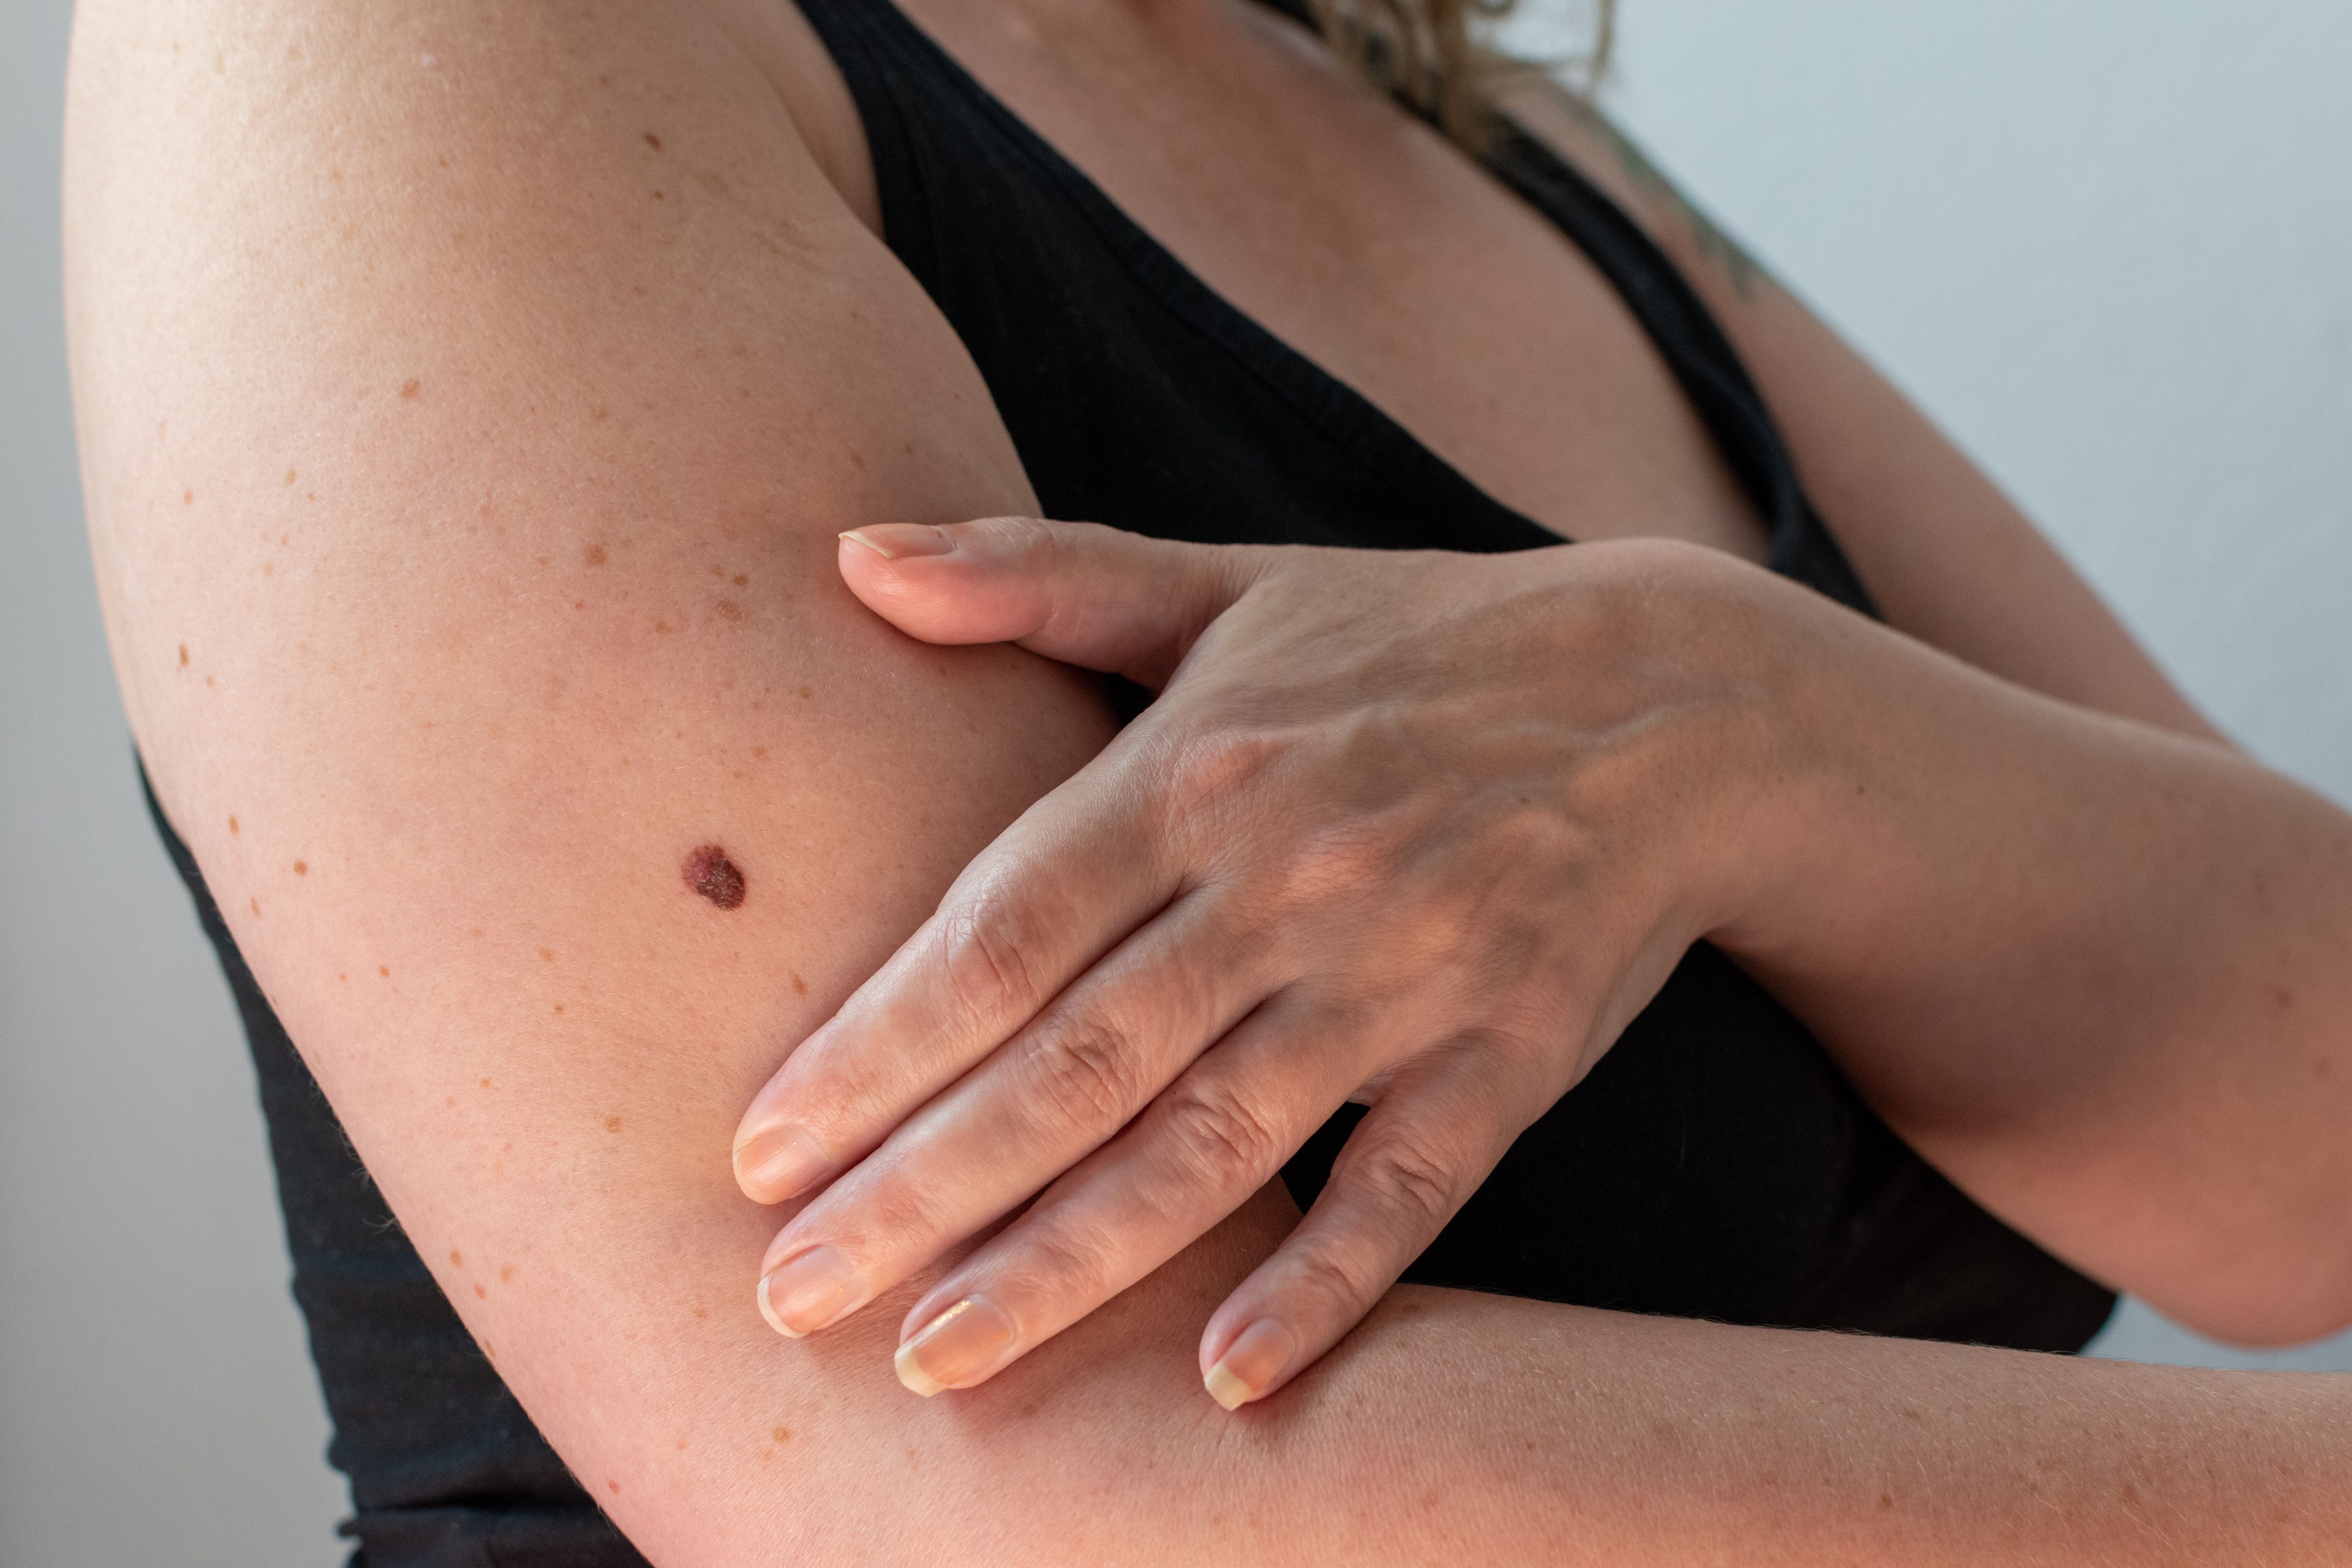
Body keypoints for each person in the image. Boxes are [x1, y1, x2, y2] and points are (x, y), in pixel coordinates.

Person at [65, 0, 2352, 1560]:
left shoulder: (1483, 137)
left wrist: (1737, 720)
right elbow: (1015, 1490)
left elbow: (2305, 1138)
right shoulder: (415, 53)